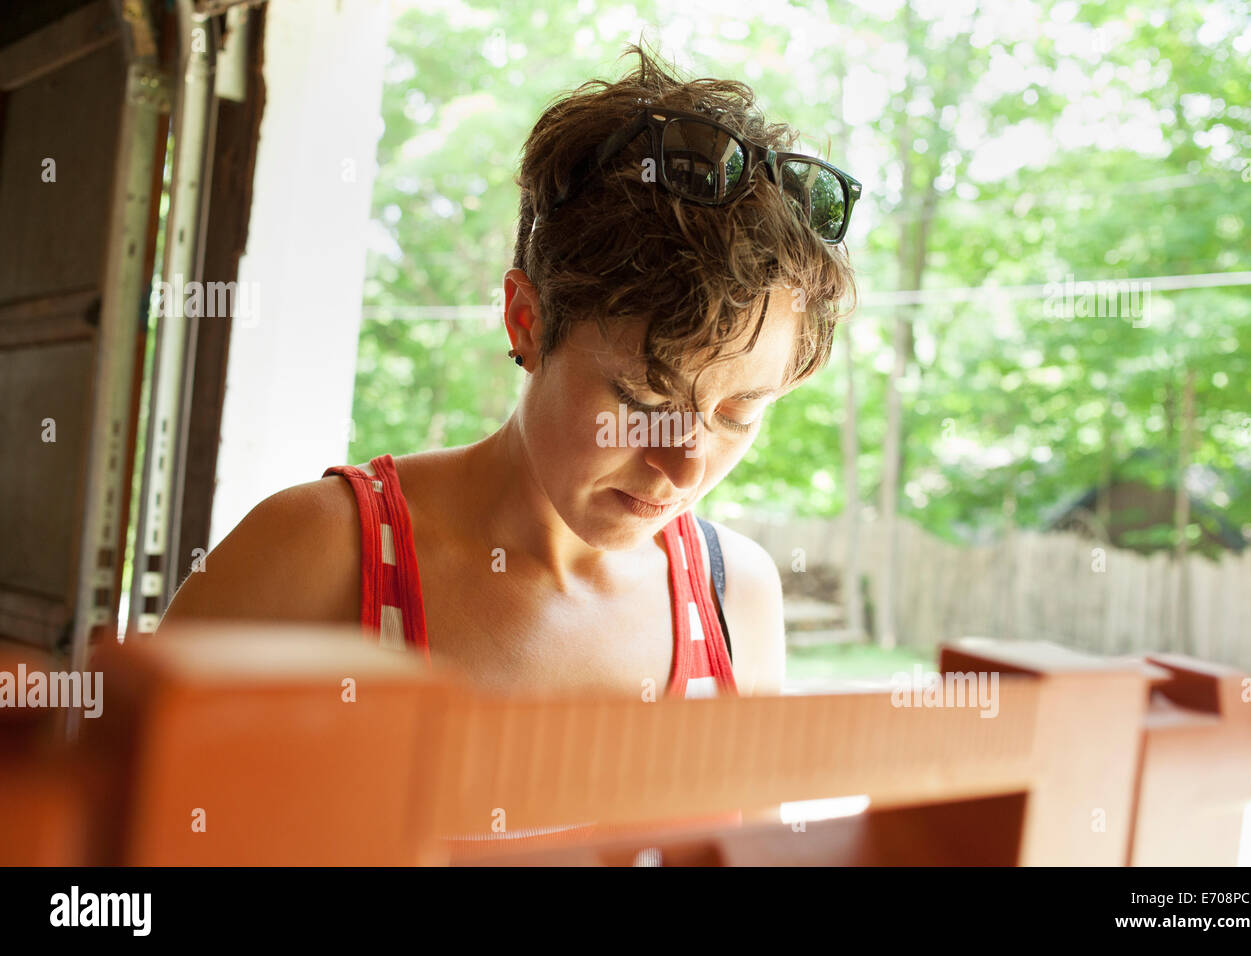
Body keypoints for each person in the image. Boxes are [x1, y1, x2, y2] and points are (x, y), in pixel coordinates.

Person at [158, 43, 857, 847]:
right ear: (527, 320)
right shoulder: (315, 557)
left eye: (739, 411)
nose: (686, 465)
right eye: (642, 398)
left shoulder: (738, 600)